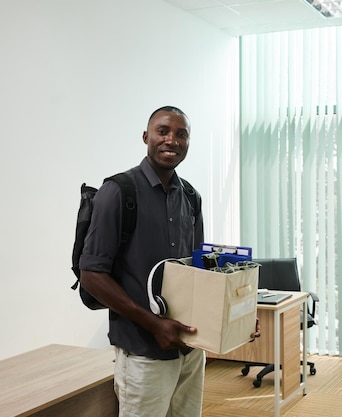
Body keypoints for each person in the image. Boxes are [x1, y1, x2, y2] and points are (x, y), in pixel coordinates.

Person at [79, 106, 206, 417]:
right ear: (146, 136)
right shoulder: (119, 190)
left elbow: (201, 271)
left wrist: (234, 321)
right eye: (163, 131)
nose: (171, 140)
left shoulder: (191, 196)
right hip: (143, 353)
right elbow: (91, 274)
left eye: (181, 134)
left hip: (190, 350)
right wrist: (154, 324)